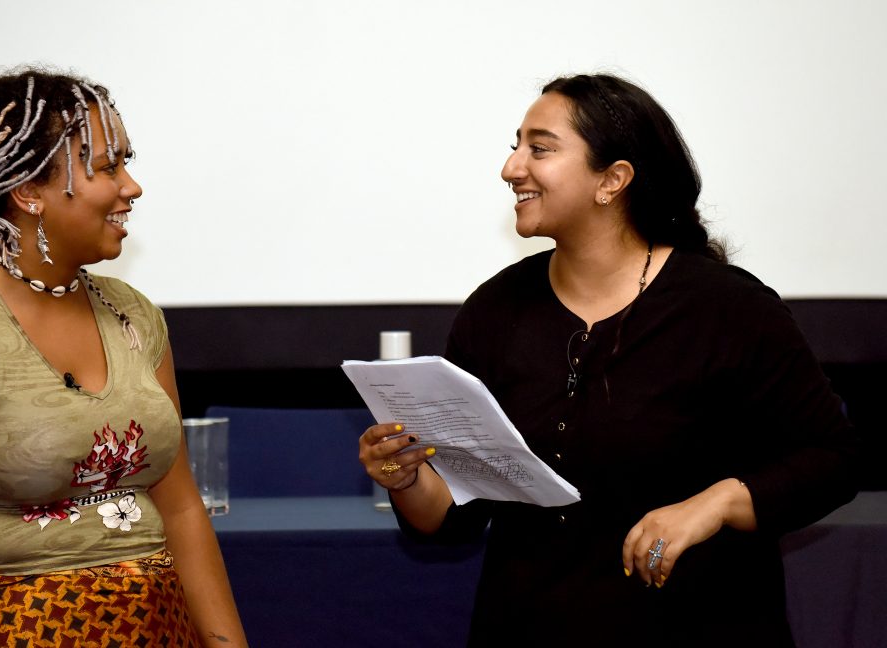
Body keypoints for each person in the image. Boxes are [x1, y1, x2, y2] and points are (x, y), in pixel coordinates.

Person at [358, 73, 858, 647]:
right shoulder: (494, 310)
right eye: (515, 146)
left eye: (539, 149)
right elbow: (450, 520)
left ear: (613, 180)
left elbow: (834, 461)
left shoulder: (727, 308)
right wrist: (406, 476)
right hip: (528, 625)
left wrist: (715, 504)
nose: (511, 168)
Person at [0, 66, 248, 647]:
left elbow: (182, 512)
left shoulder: (134, 315)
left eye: (125, 162)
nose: (132, 186)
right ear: (28, 194)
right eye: (106, 168)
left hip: (163, 628)